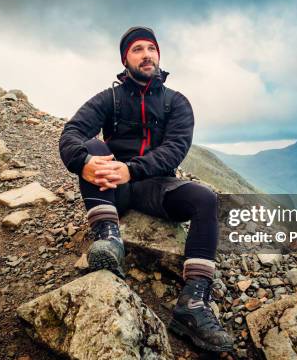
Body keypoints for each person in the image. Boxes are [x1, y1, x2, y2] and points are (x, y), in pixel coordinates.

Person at [58, 26, 234, 352]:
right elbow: (72, 132)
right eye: (137, 49)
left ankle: (193, 303)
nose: (146, 54)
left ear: (159, 55)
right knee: (92, 148)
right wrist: (82, 162)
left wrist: (132, 169)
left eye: (151, 48)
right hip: (114, 189)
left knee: (206, 198)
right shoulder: (108, 99)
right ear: (125, 58)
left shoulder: (176, 102)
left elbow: (175, 149)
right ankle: (109, 240)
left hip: (156, 185)